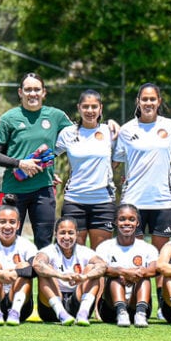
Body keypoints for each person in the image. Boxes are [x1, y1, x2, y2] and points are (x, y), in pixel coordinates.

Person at [0, 73, 73, 248]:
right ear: (20, 92)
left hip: (43, 190)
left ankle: (43, 275)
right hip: (13, 190)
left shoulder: (56, 116)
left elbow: (79, 135)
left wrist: (107, 123)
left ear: (44, 92)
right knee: (8, 242)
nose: (32, 93)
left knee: (44, 244)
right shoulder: (8, 118)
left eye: (36, 89)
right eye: (28, 89)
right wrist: (20, 163)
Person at [113, 83, 171, 250]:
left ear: (159, 101)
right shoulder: (127, 130)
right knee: (134, 257)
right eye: (144, 99)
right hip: (133, 200)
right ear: (138, 101)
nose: (148, 103)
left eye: (152, 99)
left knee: (160, 260)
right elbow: (115, 163)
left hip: (162, 201)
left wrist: (166, 170)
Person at [54, 90, 116, 248]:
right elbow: (48, 156)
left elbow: (120, 157)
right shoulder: (68, 133)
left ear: (101, 108)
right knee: (75, 256)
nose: (90, 111)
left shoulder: (110, 131)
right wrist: (49, 173)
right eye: (85, 106)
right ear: (78, 108)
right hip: (75, 201)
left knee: (102, 257)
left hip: (103, 202)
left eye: (94, 106)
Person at [32, 217, 106, 326]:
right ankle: (61, 313)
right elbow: (37, 264)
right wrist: (61, 276)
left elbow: (102, 266)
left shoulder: (84, 251)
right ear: (55, 234)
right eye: (62, 233)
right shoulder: (48, 251)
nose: (66, 237)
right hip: (51, 308)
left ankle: (83, 314)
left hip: (77, 302)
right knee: (45, 269)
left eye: (70, 233)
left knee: (92, 268)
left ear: (77, 234)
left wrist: (84, 277)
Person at [95, 204, 159, 328]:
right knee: (115, 277)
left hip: (138, 302)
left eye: (131, 219)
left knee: (144, 277)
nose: (127, 223)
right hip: (110, 308)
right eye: (122, 219)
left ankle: (140, 313)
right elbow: (99, 268)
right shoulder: (105, 246)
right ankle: (121, 312)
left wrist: (138, 274)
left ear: (137, 223)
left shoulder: (147, 248)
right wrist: (124, 272)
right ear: (115, 222)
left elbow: (155, 268)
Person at [0, 203, 38, 325]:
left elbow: (36, 269)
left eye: (12, 222)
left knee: (23, 265)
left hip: (21, 306)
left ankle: (15, 311)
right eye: (3, 221)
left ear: (18, 225)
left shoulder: (27, 245)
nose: (7, 226)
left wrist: (16, 273)